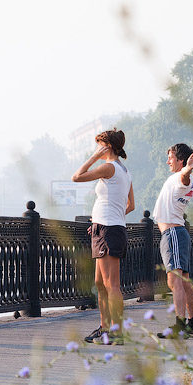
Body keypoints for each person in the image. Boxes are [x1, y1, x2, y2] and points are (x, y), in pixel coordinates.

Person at [72, 128, 135, 344]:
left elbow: (76, 177)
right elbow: (131, 205)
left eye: (99, 145)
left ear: (107, 146)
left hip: (109, 230)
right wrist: (100, 220)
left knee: (111, 284)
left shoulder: (109, 167)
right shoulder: (125, 171)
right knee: (100, 283)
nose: (97, 148)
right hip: (105, 227)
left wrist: (93, 157)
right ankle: (105, 327)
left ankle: (117, 331)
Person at [152, 143, 193, 338]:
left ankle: (180, 325)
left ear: (181, 160)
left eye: (171, 158)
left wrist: (188, 169)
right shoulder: (186, 180)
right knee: (184, 283)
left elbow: (183, 177)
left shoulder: (181, 176)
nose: (168, 161)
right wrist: (191, 175)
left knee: (174, 281)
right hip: (178, 233)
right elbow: (185, 183)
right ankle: (192, 325)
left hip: (173, 233)